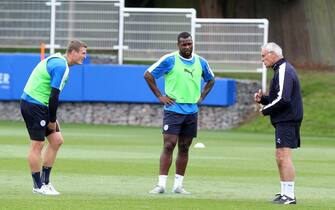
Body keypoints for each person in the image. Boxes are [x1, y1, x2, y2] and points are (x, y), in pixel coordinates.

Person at [144, 32, 215, 194]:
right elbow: (148, 75)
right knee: (169, 145)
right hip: (173, 109)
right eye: (184, 44)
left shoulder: (201, 62)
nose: (187, 47)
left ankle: (178, 185)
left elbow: (211, 79)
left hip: (192, 111)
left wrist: (202, 96)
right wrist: (160, 96)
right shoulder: (170, 59)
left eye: (189, 44)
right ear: (178, 45)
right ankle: (161, 184)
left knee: (184, 147)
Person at [20, 40, 87, 195]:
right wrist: (51, 121)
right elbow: (54, 96)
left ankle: (46, 182)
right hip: (33, 104)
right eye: (83, 53)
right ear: (73, 52)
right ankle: (38, 186)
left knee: (57, 141)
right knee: (37, 145)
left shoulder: (60, 62)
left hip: (41, 105)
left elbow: (52, 97)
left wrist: (51, 119)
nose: (85, 56)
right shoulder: (61, 66)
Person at [254, 42, 303, 204]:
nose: (262, 60)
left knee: (284, 156)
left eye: (263, 56)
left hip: (287, 120)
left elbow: (284, 100)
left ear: (273, 54)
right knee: (280, 156)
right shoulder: (280, 70)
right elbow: (278, 98)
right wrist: (264, 100)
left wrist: (264, 110)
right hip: (284, 119)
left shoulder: (283, 70)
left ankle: (289, 196)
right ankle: (284, 193)